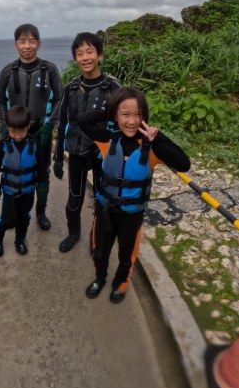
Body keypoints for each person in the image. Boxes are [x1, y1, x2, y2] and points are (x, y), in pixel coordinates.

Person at [77, 87, 190, 303]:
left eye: (138, 115)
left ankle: (121, 283)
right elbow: (83, 119)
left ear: (145, 116)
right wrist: (110, 109)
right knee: (100, 251)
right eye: (125, 114)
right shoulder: (108, 139)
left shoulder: (152, 147)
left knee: (126, 255)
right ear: (116, 116)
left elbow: (184, 164)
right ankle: (100, 278)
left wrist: (157, 139)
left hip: (132, 215)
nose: (131, 121)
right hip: (105, 210)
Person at [51, 32, 121, 252]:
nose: (85, 57)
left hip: (103, 154)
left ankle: (97, 236)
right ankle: (74, 233)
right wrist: (58, 158)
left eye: (89, 52)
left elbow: (122, 124)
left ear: (99, 55)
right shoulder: (71, 88)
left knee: (103, 199)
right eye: (79, 53)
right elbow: (62, 122)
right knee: (75, 196)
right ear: (75, 59)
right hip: (77, 152)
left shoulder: (113, 87)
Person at [0, 23, 63, 231]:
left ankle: (40, 212)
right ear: (16, 45)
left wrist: (49, 125)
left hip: (40, 129)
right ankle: (15, 211)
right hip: (15, 132)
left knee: (42, 174)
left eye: (32, 41)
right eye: (22, 41)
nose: (27, 46)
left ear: (39, 44)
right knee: (14, 171)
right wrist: (6, 128)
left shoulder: (49, 68)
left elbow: (60, 98)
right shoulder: (8, 71)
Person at [0, 105, 49, 257]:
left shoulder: (35, 145)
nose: (17, 135)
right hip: (9, 191)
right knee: (6, 218)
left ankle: (20, 240)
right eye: (12, 131)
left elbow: (41, 169)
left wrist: (43, 186)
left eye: (21, 130)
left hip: (28, 191)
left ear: (28, 126)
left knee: (23, 217)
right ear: (8, 127)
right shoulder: (2, 145)